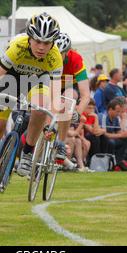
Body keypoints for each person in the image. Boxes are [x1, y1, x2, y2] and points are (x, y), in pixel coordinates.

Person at [0, 12, 62, 205]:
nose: (42, 47)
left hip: (37, 81)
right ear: (30, 38)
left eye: (47, 43)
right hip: (11, 80)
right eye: (37, 41)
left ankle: (27, 152)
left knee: (41, 108)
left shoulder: (55, 56)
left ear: (53, 43)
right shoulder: (18, 47)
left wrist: (51, 125)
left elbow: (56, 97)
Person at [53, 32, 90, 164]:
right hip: (54, 82)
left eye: (60, 54)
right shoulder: (47, 57)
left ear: (67, 52)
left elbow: (86, 95)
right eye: (54, 54)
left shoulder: (76, 59)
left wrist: (78, 112)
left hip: (69, 83)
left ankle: (61, 144)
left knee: (68, 100)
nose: (57, 57)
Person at [98, 99, 127, 165]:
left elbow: (119, 132)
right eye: (118, 111)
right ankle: (109, 163)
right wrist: (122, 135)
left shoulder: (115, 118)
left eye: (120, 112)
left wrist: (126, 135)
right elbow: (104, 134)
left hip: (110, 138)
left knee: (126, 141)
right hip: (101, 139)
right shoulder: (103, 116)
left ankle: (118, 163)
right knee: (111, 142)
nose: (119, 114)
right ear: (110, 109)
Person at [82, 99, 108, 165]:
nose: (91, 110)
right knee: (95, 138)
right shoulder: (83, 116)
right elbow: (94, 131)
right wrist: (96, 117)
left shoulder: (92, 116)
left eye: (93, 108)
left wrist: (102, 130)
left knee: (104, 138)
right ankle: (94, 161)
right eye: (89, 108)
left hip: (90, 135)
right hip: (82, 136)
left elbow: (102, 131)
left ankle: (102, 160)